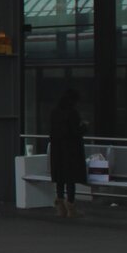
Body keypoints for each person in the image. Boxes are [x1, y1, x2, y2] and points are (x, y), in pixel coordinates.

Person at [49, 89, 87, 217]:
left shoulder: (54, 113)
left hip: (57, 150)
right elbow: (76, 132)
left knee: (60, 179)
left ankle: (60, 208)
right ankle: (71, 207)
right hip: (71, 151)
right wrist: (84, 127)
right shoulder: (72, 113)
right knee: (71, 179)